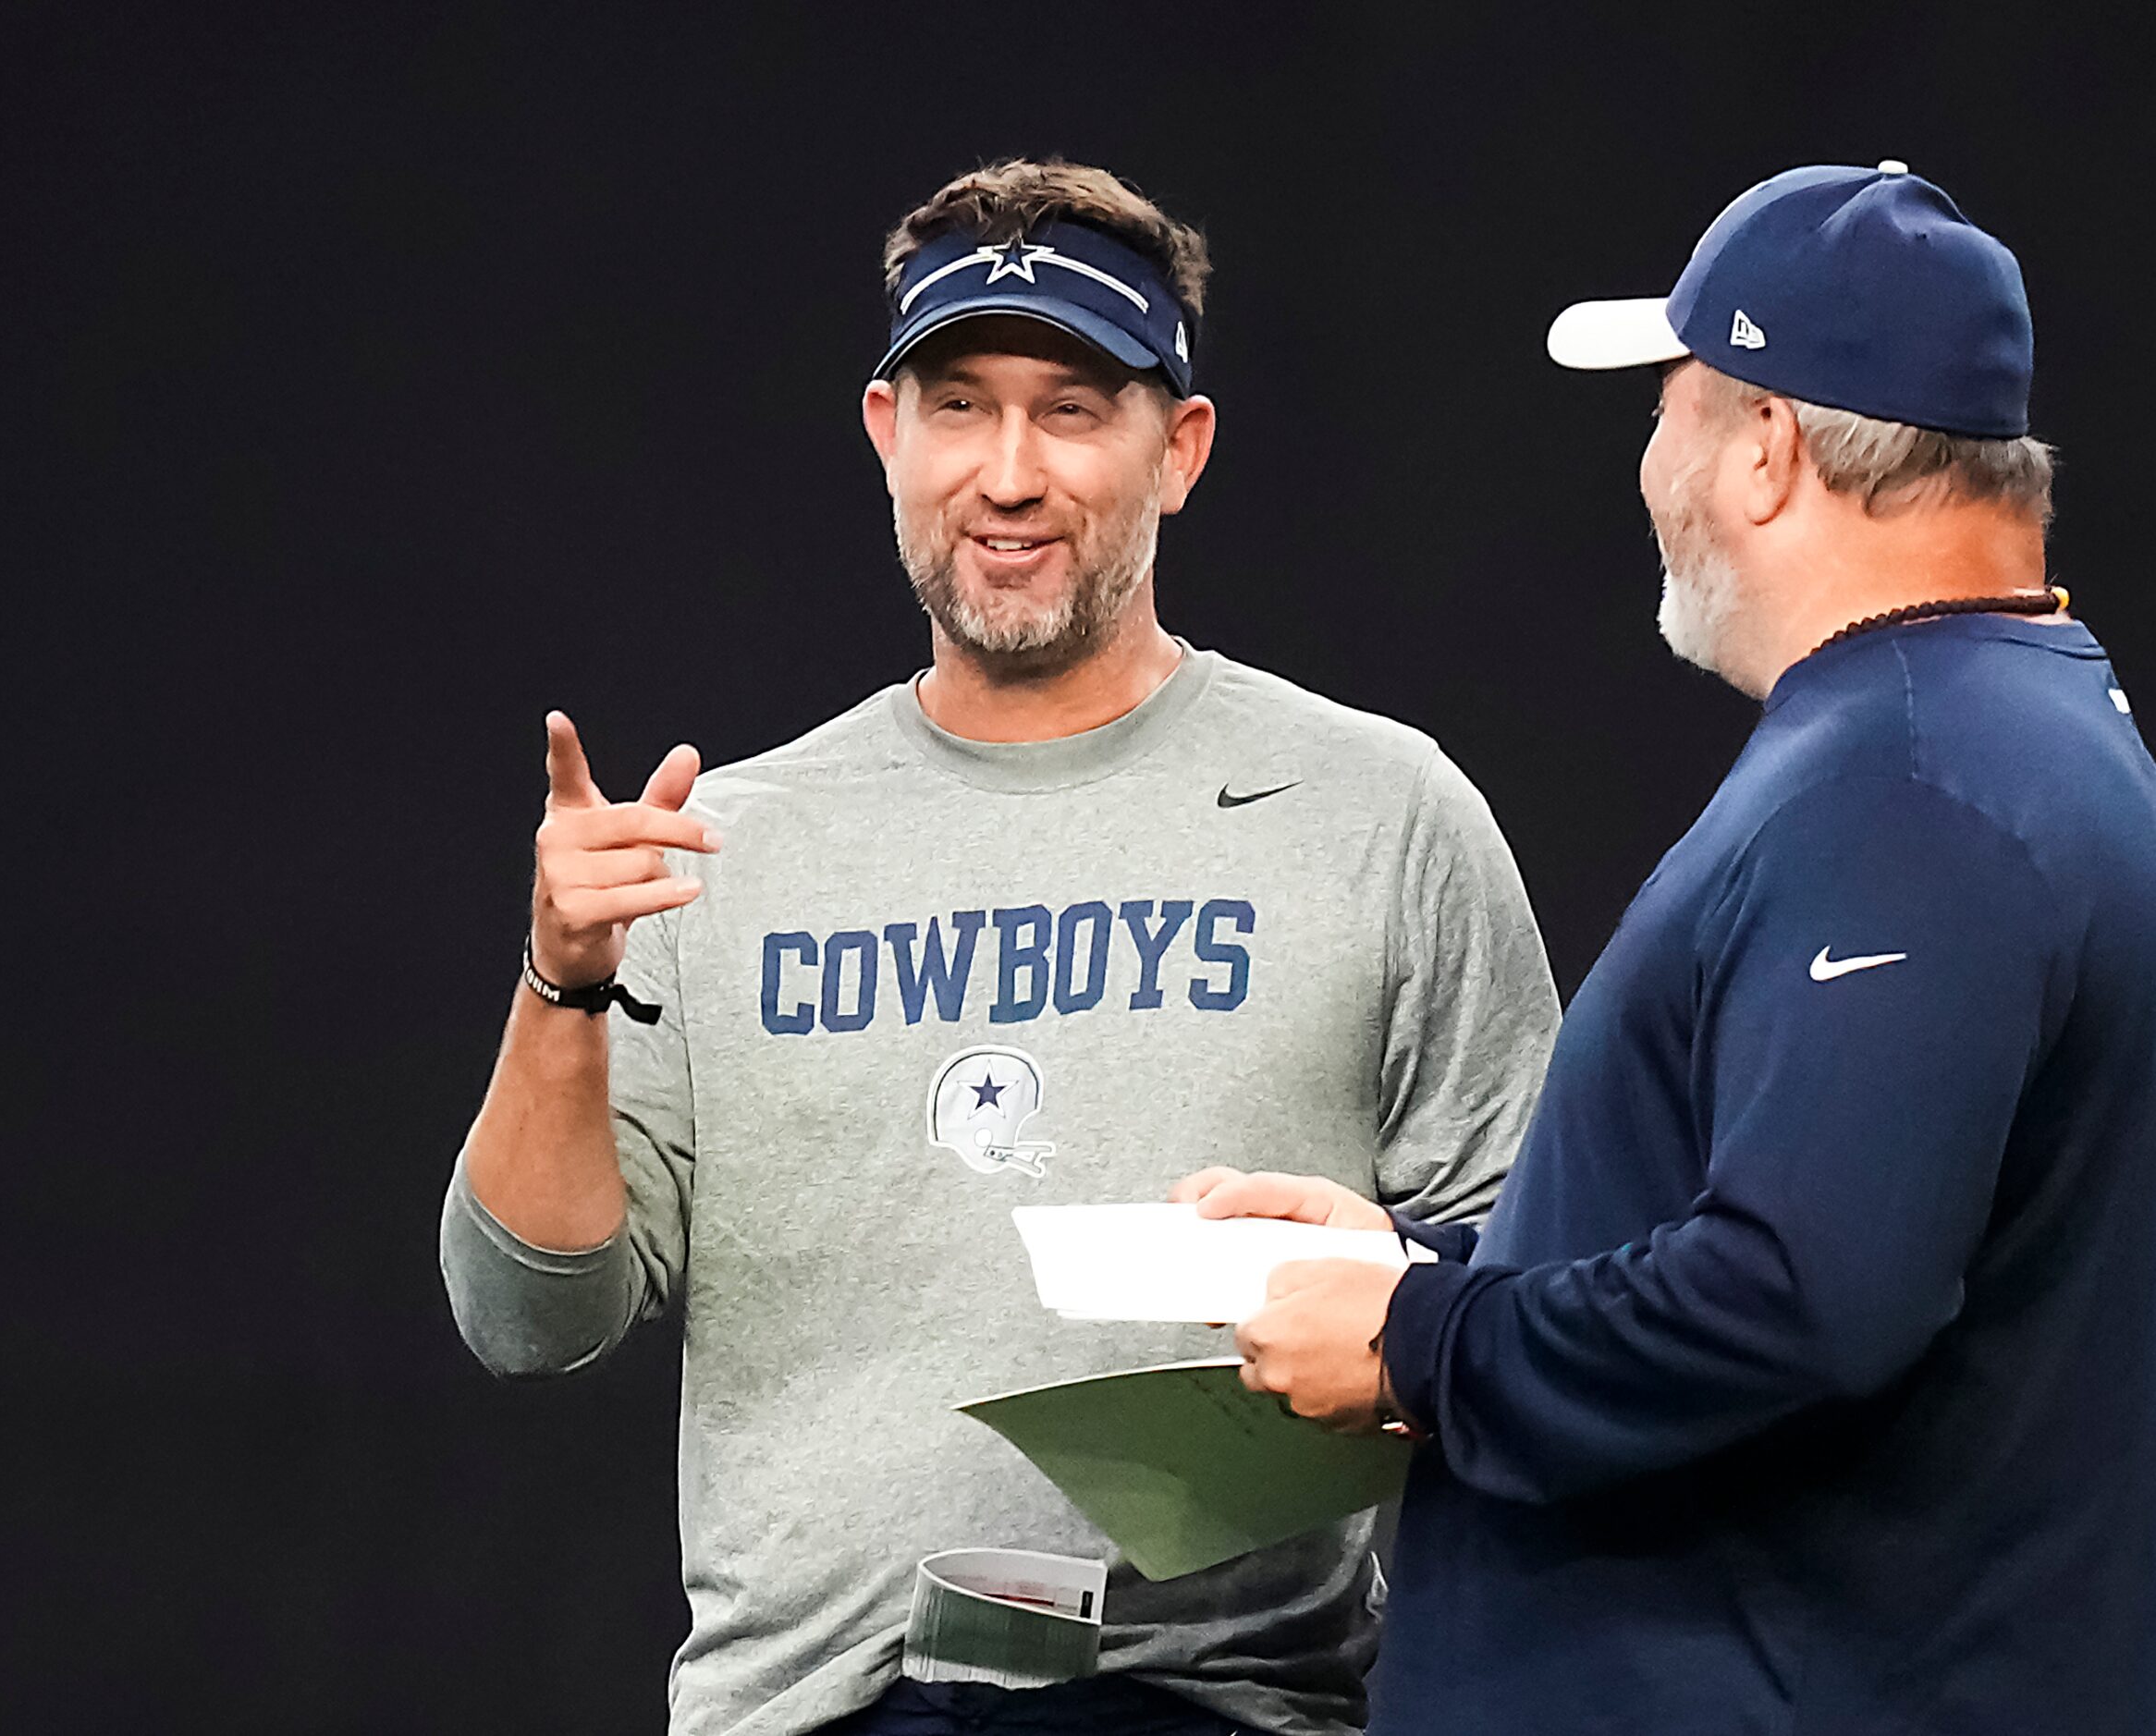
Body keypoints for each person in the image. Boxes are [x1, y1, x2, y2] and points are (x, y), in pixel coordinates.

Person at [436, 158, 1562, 1736]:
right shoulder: (725, 845)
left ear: (1181, 451)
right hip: (812, 1707)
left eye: (1074, 408)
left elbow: (1545, 1294)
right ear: (889, 433)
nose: (1009, 473)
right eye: (960, 405)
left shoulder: (1378, 812)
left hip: (1217, 1700)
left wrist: (1388, 1300)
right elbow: (527, 1316)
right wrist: (560, 978)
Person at [1183, 163, 2156, 1733]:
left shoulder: (1916, 782)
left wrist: (1416, 1341)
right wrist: (1431, 1266)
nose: (1651, 459)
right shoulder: (1981, 730)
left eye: (1669, 403)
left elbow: (1807, 1294)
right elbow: (1793, 1221)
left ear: (1769, 449)